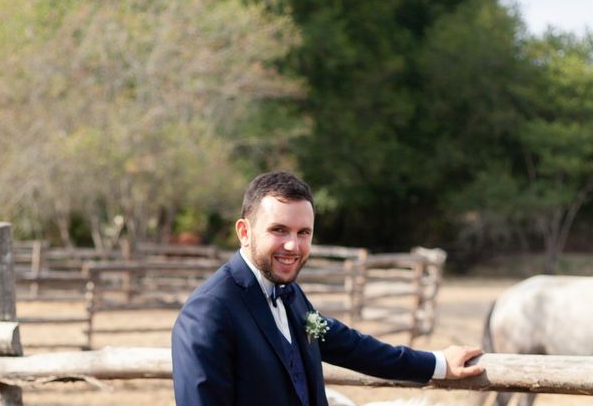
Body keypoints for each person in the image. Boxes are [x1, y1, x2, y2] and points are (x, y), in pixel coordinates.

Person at [172, 171, 484, 406]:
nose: (292, 245)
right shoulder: (208, 312)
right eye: (278, 230)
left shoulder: (290, 294)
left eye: (303, 232)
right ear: (244, 231)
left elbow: (351, 346)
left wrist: (438, 363)